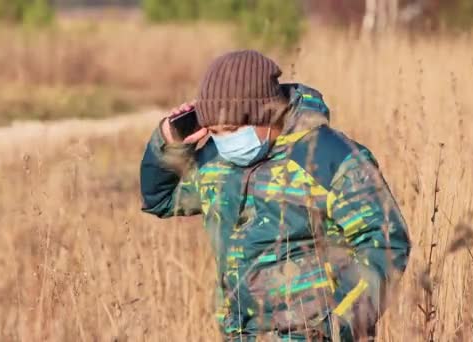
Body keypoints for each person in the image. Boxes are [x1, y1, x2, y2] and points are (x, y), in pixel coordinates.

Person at [140, 50, 411, 341]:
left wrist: (338, 326)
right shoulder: (216, 160)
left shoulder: (330, 158)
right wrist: (170, 142)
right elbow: (161, 199)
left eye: (231, 129)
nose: (225, 140)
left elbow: (385, 244)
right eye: (214, 131)